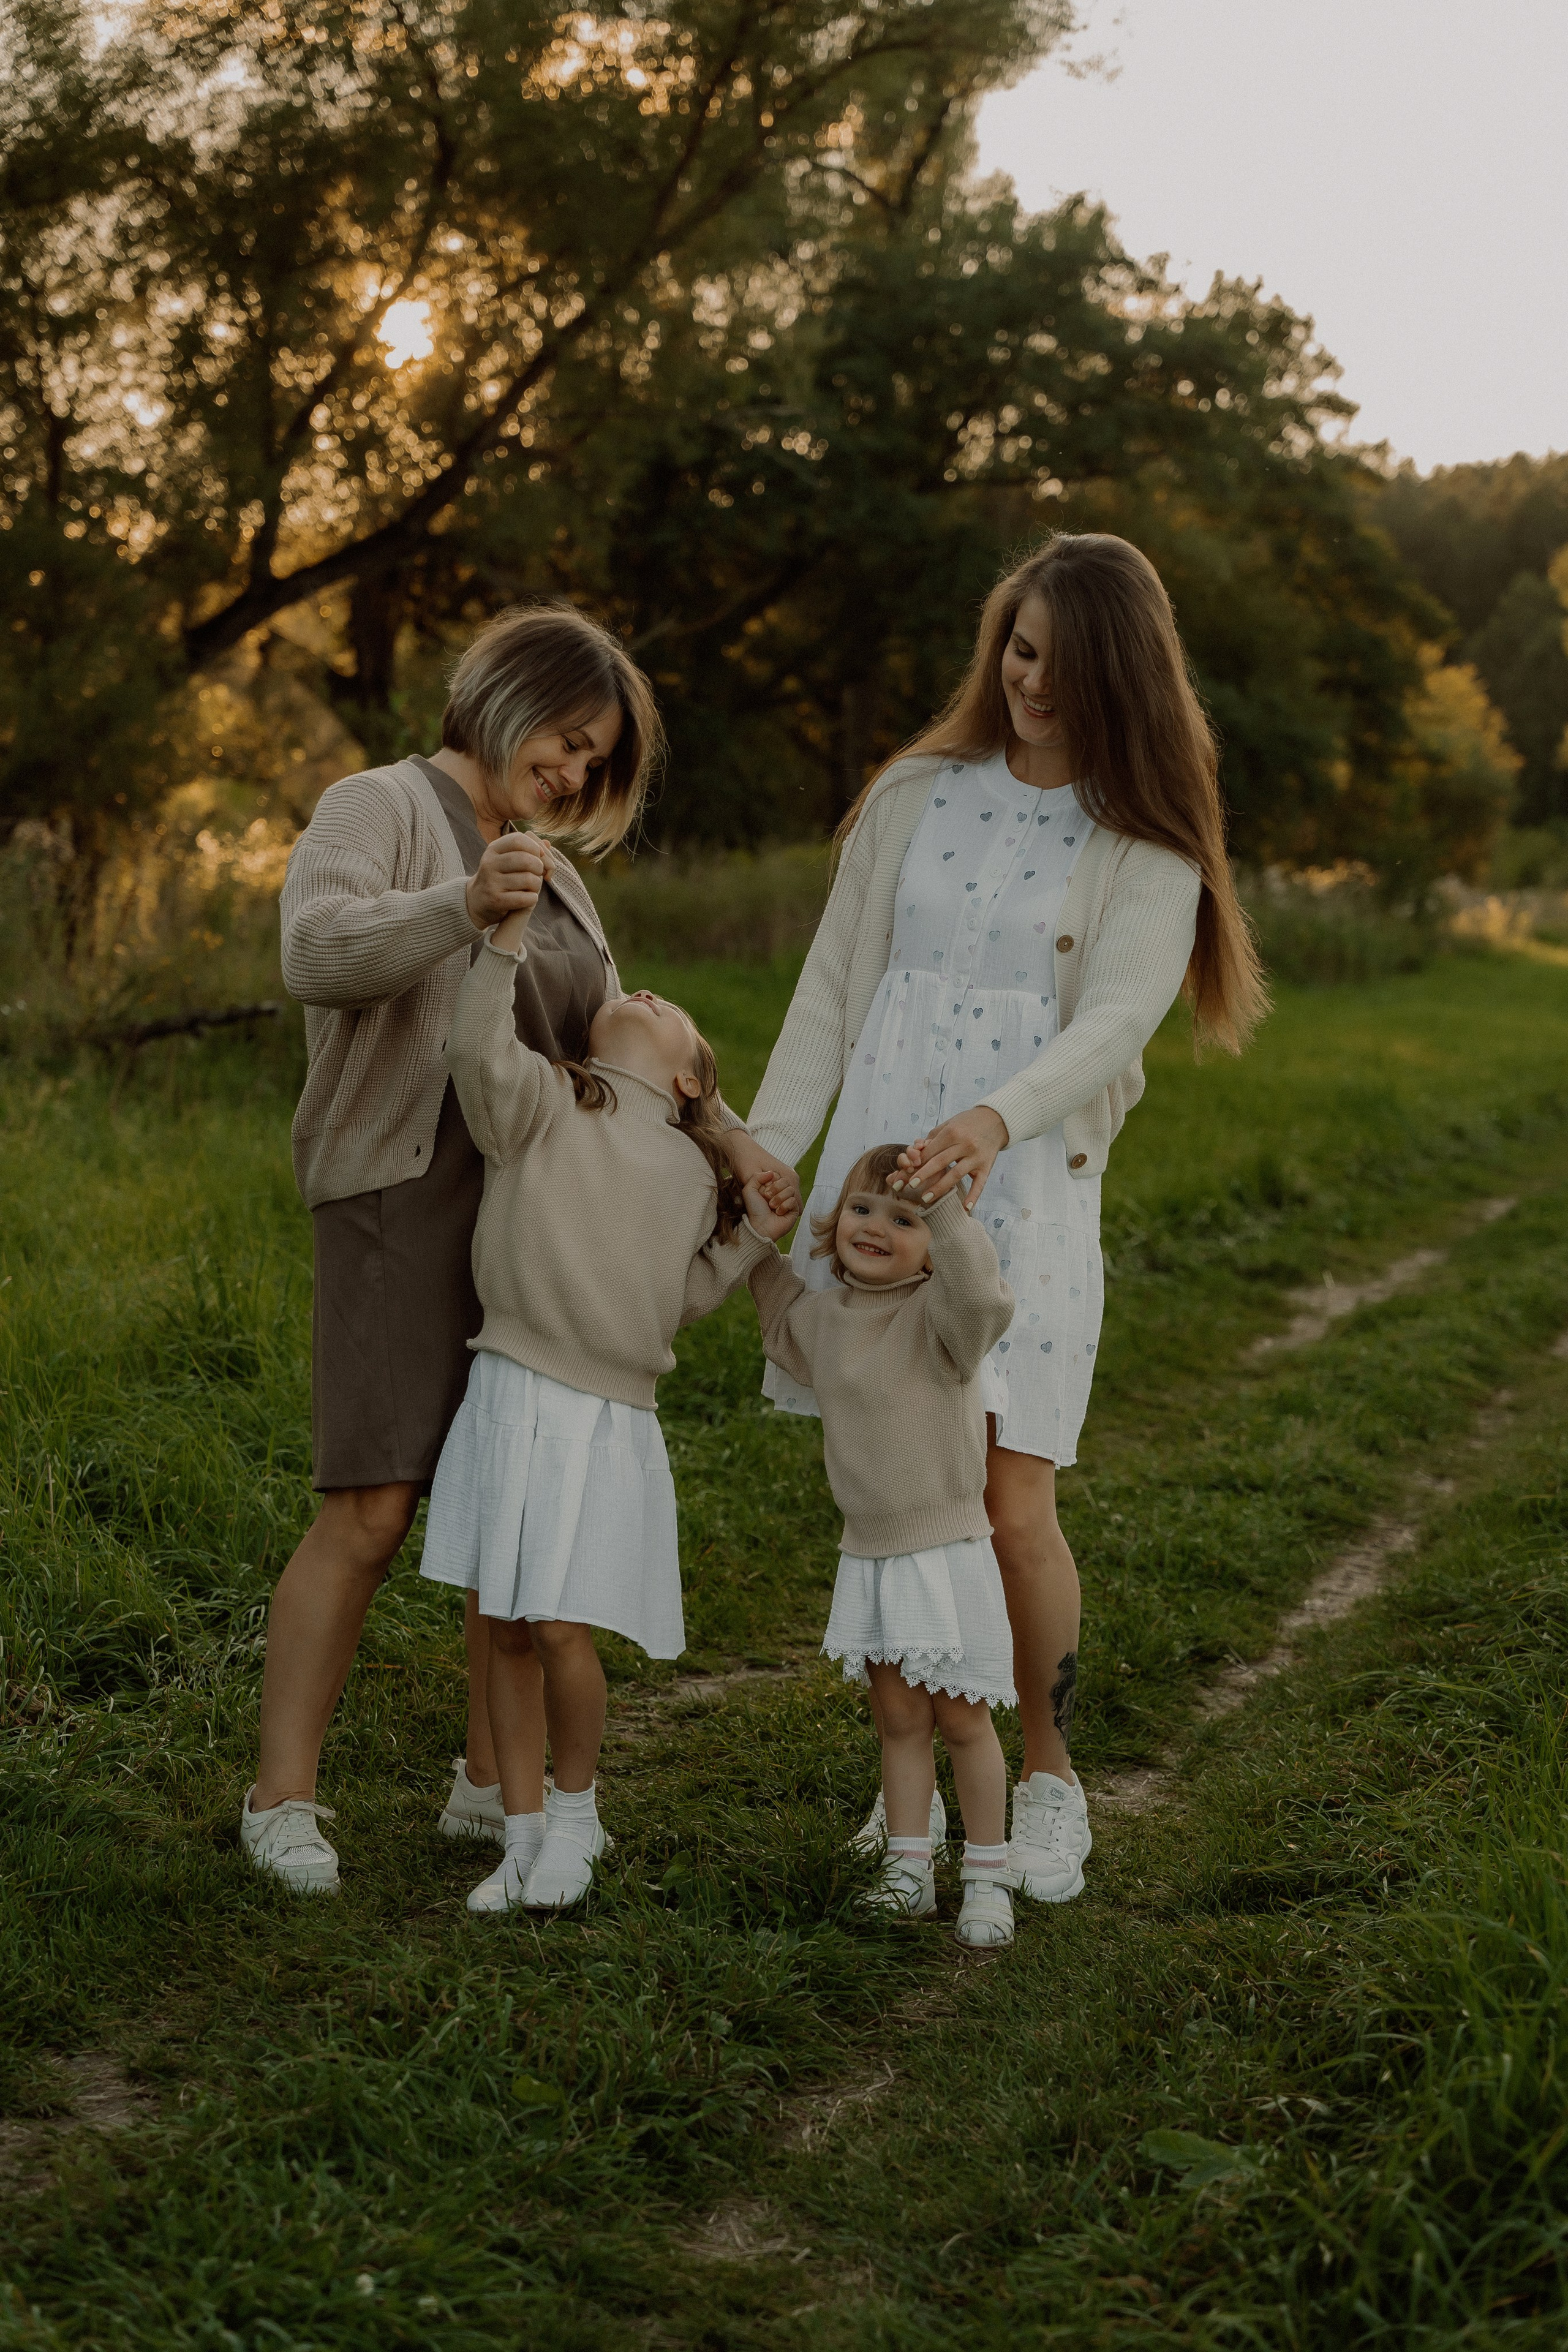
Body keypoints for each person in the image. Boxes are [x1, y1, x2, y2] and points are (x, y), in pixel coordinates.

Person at [241, 604, 798, 1893]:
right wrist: (457, 901)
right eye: (567, 739)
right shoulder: (374, 805)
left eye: (596, 763)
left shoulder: (560, 867)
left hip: (530, 1218)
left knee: (507, 1513)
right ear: (498, 696)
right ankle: (281, 1799)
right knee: (373, 1509)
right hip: (396, 1193)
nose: (573, 775)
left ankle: (492, 1787)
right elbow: (313, 954)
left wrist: (723, 1136)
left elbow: (617, 1039)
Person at [744, 533, 1266, 1905]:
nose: (1030, 682)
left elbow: (1115, 1020)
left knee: (1005, 1494)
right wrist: (767, 1150)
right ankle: (913, 1778)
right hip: (880, 1185)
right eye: (1016, 648)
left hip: (1018, 1190)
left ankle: (1042, 1777)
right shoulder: (915, 794)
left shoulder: (1140, 843)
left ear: (1123, 679)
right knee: (896, 1489)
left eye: (1060, 662)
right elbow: (830, 991)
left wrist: (993, 1119)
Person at [423, 890, 775, 1912]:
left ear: (688, 1078)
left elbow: (690, 1293)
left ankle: (578, 1819)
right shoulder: (543, 1100)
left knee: (562, 1630)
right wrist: (496, 945)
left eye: (672, 1013)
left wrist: (753, 1229)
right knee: (505, 1626)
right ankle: (520, 1834)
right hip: (510, 1388)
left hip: (601, 1417)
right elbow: (475, 1048)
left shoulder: (689, 1169)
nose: (649, 993)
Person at [745, 1147, 1019, 1949]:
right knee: (898, 1719)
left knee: (963, 1721)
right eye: (864, 1210)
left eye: (905, 1220)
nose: (877, 1228)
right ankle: (908, 1873)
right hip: (868, 1552)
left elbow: (979, 1292)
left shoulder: (944, 1320)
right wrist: (754, 1230)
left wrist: (946, 1213)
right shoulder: (823, 1322)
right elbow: (766, 1290)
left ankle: (988, 1878)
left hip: (943, 1550)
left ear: (935, 1242)